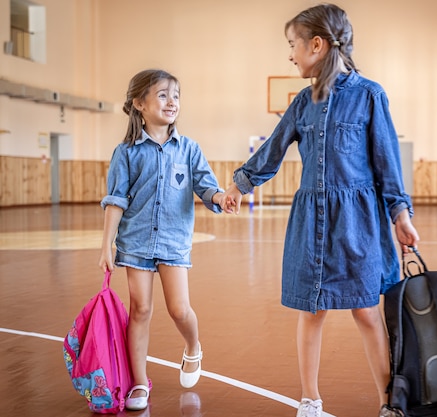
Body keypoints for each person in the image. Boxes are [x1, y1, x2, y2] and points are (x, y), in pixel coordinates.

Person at [220, 4, 419, 417]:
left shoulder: (369, 95)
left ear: (317, 44)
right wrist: (239, 185)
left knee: (367, 311)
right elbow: (272, 149)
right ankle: (309, 399)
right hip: (312, 223)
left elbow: (387, 162)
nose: (290, 54)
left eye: (293, 45)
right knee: (312, 310)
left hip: (358, 223)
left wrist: (401, 215)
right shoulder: (302, 102)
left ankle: (389, 403)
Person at [99, 69, 225, 411]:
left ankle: (193, 346)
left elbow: (206, 185)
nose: (172, 102)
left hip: (173, 242)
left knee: (179, 309)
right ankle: (139, 383)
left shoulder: (189, 149)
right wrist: (106, 245)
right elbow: (116, 201)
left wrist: (219, 198)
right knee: (139, 310)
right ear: (139, 103)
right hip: (135, 242)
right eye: (163, 95)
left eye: (177, 95)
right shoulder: (125, 152)